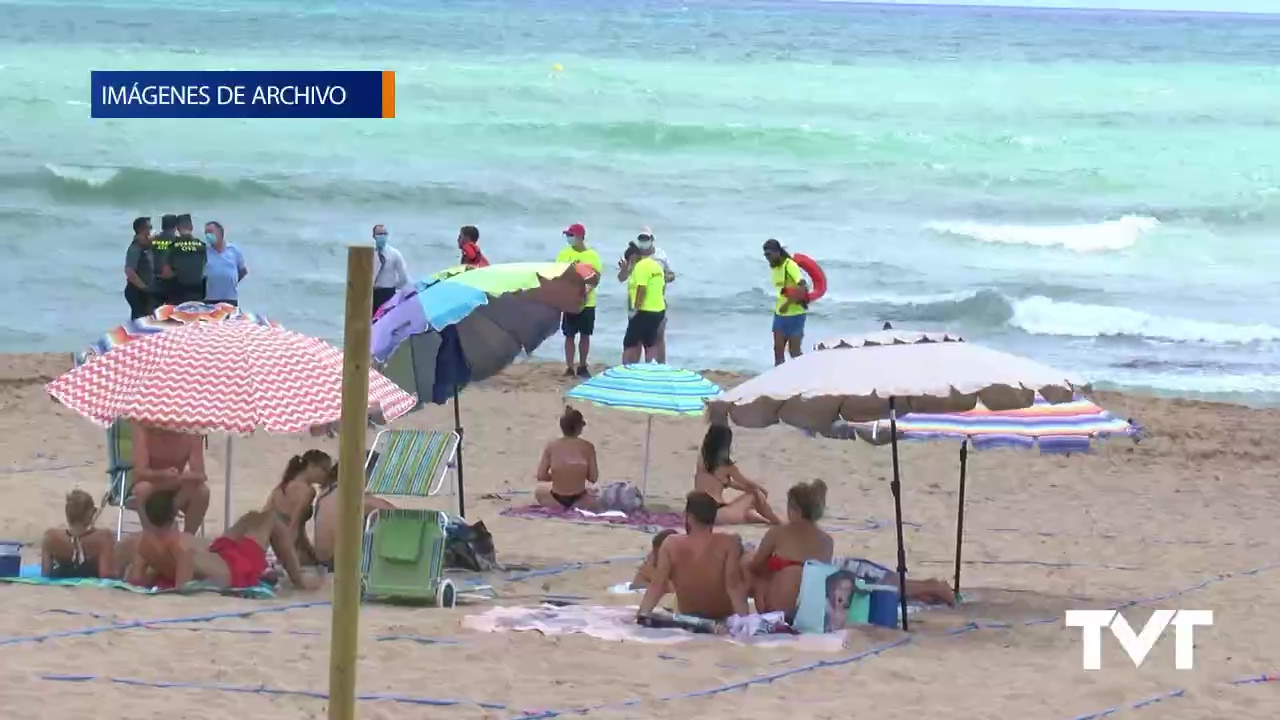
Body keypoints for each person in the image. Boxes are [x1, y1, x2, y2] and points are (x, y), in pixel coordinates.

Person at [127, 490, 318, 590]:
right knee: (271, 519)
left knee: (252, 517)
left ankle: (298, 575)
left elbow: (135, 578)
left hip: (221, 552)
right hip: (235, 568)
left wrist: (157, 571)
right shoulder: (180, 545)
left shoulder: (143, 543)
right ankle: (299, 580)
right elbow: (183, 588)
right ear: (174, 514)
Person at [636, 491, 750, 622]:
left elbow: (657, 584)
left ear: (688, 516)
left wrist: (642, 614)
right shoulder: (729, 543)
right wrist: (745, 620)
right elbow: (733, 584)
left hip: (689, 618)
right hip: (720, 616)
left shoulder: (671, 544)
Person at [743, 480, 833, 619]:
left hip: (778, 610)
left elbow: (755, 567)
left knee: (748, 566)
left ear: (794, 509)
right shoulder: (827, 541)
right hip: (811, 612)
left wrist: (748, 558)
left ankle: (740, 613)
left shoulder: (778, 533)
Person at [311, 453, 397, 569]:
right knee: (379, 520)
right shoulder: (356, 497)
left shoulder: (328, 491)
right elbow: (394, 513)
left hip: (323, 558)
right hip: (337, 561)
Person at [131, 422, 210, 534]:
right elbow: (139, 473)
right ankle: (153, 537)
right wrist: (163, 474)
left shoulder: (192, 431)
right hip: (154, 485)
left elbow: (201, 475)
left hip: (177, 487)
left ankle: (187, 537)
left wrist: (182, 477)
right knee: (142, 489)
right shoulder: (144, 429)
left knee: (202, 491)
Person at [694, 425, 782, 525]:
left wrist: (745, 489)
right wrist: (761, 490)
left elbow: (727, 483)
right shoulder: (726, 466)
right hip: (717, 513)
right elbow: (747, 483)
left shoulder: (701, 461)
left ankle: (764, 520)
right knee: (754, 494)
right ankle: (776, 521)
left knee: (748, 511)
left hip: (697, 513)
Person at [264, 450, 333, 567]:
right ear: (311, 466)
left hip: (273, 546)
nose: (326, 475)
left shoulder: (280, 487)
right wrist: (290, 554)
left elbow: (266, 518)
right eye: (325, 469)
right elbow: (294, 525)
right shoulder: (308, 491)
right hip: (293, 549)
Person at [616, 227, 675, 363]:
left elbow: (671, 275)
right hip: (637, 301)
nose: (643, 241)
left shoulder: (660, 256)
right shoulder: (632, 255)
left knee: (656, 337)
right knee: (641, 340)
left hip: (655, 301)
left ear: (652, 240)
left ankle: (659, 366)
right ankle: (640, 367)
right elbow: (622, 277)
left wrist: (657, 279)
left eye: (646, 238)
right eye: (641, 239)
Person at [556, 223, 603, 377]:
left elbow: (596, 277)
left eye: (572, 235)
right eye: (568, 235)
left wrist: (586, 291)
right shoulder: (564, 254)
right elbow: (558, 275)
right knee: (569, 335)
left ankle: (582, 365)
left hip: (587, 302)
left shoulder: (592, 255)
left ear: (581, 237)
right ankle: (569, 367)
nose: (569, 238)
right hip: (570, 301)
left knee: (585, 334)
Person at [534, 406, 599, 511]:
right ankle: (574, 507)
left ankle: (559, 508)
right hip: (580, 497)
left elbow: (541, 476)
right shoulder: (588, 447)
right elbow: (593, 478)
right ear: (579, 427)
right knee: (595, 494)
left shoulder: (551, 446)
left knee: (540, 492)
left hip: (556, 497)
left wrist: (557, 476)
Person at [41, 490, 115, 579]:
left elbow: (45, 576)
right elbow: (105, 576)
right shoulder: (103, 538)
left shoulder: (50, 537)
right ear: (90, 513)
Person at [764, 239, 807, 366]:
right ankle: (779, 381)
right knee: (778, 351)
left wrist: (787, 304)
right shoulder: (775, 268)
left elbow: (803, 287)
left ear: (778, 252)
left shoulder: (790, 265)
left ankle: (805, 375)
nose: (767, 258)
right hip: (780, 315)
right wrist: (782, 307)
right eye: (765, 255)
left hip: (796, 314)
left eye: (769, 254)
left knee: (795, 353)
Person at [165, 213, 208, 304]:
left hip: (178, 292)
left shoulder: (172, 247)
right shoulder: (203, 246)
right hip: (199, 291)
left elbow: (166, 272)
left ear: (177, 229)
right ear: (191, 227)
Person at [203, 221, 247, 305]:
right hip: (211, 299)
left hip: (231, 298)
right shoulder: (205, 251)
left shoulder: (234, 250)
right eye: (206, 233)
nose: (208, 236)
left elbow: (243, 271)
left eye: (210, 232)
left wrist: (231, 280)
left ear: (220, 233)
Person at [371, 224, 411, 316]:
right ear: (374, 236)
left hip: (387, 293)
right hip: (372, 293)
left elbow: (404, 277)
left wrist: (393, 287)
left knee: (385, 319)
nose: (382, 236)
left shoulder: (394, 254)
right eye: (379, 234)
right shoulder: (370, 254)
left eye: (384, 234)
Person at [124, 216, 156, 320]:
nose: (151, 230)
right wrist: (144, 288)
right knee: (140, 320)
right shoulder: (135, 248)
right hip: (137, 291)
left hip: (146, 291)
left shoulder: (146, 245)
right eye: (149, 227)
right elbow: (129, 271)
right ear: (142, 229)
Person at [151, 213, 178, 305]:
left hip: (155, 280)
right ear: (175, 227)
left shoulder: (154, 240)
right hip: (172, 281)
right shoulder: (177, 241)